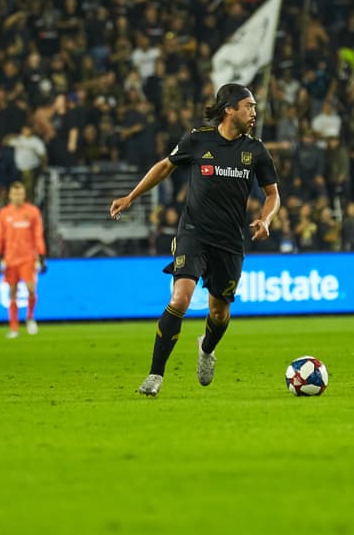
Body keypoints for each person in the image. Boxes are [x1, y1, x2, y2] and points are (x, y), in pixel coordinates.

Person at [109, 83, 280, 397]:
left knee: (219, 313)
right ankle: (155, 375)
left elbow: (272, 194)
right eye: (248, 106)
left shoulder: (255, 151)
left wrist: (266, 219)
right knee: (179, 300)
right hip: (194, 233)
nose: (254, 112)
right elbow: (164, 167)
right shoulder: (197, 139)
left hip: (230, 241)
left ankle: (206, 349)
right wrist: (132, 196)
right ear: (229, 109)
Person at [0, 180, 47, 338]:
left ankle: (30, 318)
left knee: (31, 290)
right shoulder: (4, 214)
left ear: (24, 195)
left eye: (20, 194)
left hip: (28, 258)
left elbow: (38, 235)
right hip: (10, 259)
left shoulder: (33, 212)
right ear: (10, 195)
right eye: (15, 193)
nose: (18, 197)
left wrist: (41, 256)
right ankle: (14, 327)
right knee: (12, 292)